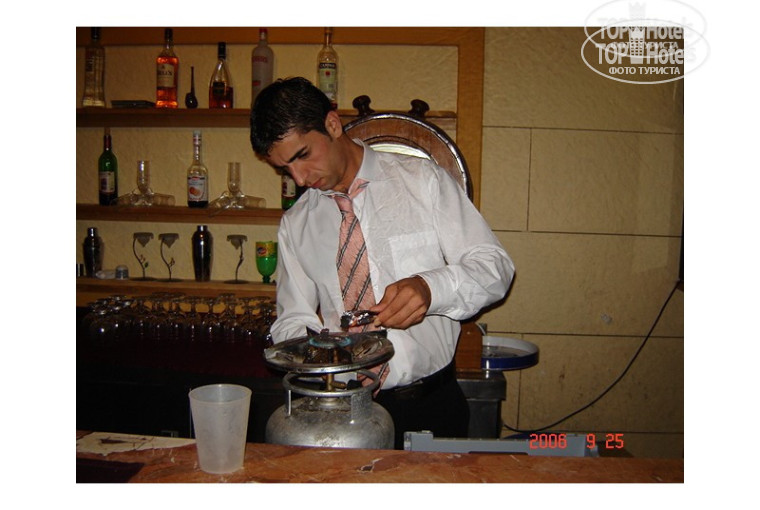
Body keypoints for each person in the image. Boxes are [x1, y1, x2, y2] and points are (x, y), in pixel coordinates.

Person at [250, 77, 515, 449]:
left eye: (302, 155)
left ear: (331, 124)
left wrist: (430, 288)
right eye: (284, 169)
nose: (300, 178)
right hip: (340, 412)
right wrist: (320, 352)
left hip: (430, 406)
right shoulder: (296, 224)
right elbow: (292, 318)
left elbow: (495, 268)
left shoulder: (422, 181)